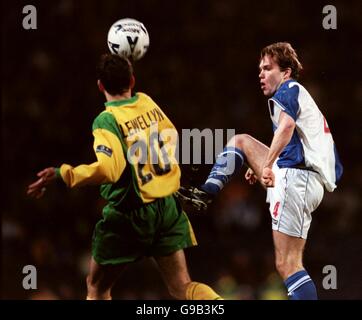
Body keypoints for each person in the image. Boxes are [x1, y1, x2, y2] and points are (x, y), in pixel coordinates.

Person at [27, 53, 222, 300]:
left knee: (96, 288)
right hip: (166, 207)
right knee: (182, 286)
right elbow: (171, 135)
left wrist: (63, 173)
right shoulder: (147, 102)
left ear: (100, 85)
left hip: (131, 214)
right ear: (132, 80)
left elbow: (110, 170)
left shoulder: (106, 120)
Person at [176, 42, 343, 300]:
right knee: (241, 142)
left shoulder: (289, 89)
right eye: (260, 69)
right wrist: (265, 163)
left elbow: (287, 128)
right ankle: (206, 192)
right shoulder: (299, 97)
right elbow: (294, 138)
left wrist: (267, 165)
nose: (261, 74)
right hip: (307, 179)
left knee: (288, 265)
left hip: (297, 178)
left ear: (286, 72)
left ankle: (205, 194)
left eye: (267, 68)